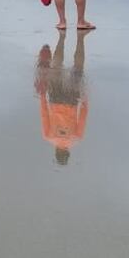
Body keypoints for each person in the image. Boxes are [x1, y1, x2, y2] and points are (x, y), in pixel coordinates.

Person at [35, 32, 89, 166]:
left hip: (71, 101)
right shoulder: (48, 137)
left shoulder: (77, 138)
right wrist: (42, 95)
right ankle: (61, 38)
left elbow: (82, 117)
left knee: (78, 69)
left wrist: (85, 100)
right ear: (56, 151)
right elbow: (44, 115)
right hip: (55, 99)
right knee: (56, 68)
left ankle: (80, 39)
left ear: (68, 152)